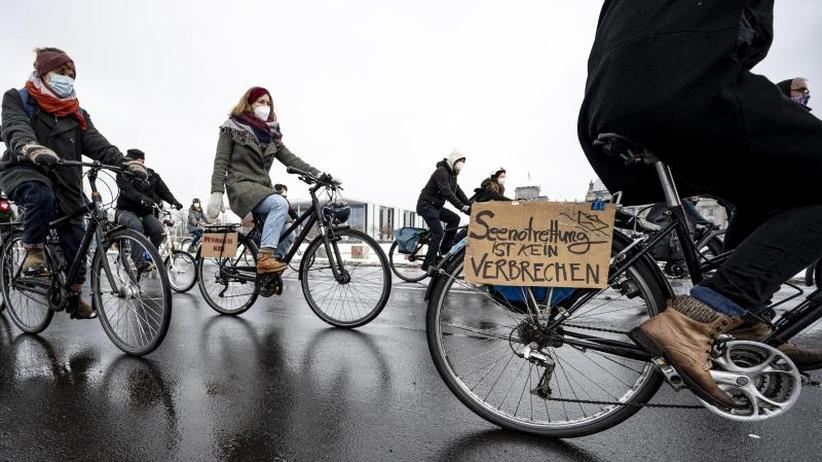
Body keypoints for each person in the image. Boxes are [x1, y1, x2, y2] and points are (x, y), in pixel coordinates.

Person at [578, 2, 822, 409]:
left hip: (613, 103)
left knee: (771, 190)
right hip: (685, 88)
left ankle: (747, 321)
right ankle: (697, 317)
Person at [0, 47, 145, 319]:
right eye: (61, 73)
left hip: (65, 178)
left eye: (72, 75)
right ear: (44, 73)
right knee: (41, 195)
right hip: (26, 170)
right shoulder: (17, 99)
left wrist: (123, 162)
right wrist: (30, 146)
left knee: (77, 237)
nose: (68, 79)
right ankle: (33, 251)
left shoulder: (76, 112)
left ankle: (74, 296)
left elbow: (96, 142)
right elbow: (15, 127)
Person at [207, 86, 329, 274]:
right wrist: (216, 192)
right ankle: (265, 259)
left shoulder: (271, 135)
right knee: (280, 204)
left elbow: (291, 159)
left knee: (289, 229)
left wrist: (319, 175)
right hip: (241, 186)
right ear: (249, 103)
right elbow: (221, 161)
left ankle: (269, 274)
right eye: (260, 102)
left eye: (268, 103)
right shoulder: (231, 127)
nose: (265, 106)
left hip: (262, 189)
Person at [115, 148, 182, 269]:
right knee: (136, 226)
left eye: (142, 160)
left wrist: (174, 201)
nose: (141, 163)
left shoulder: (151, 175)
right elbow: (128, 191)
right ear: (131, 160)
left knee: (158, 230)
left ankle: (149, 256)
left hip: (144, 213)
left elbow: (163, 190)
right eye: (138, 160)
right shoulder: (123, 173)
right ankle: (139, 263)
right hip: (125, 211)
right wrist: (142, 198)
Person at [416, 150, 471, 273]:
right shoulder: (441, 171)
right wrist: (462, 207)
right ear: (453, 160)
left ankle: (445, 249)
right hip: (426, 205)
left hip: (435, 207)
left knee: (454, 219)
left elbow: (458, 192)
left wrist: (470, 207)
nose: (461, 164)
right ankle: (428, 265)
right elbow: (447, 193)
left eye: (463, 162)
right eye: (459, 161)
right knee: (438, 233)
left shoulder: (453, 175)